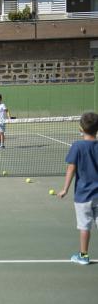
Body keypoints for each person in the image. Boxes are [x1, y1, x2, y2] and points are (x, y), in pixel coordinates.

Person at [57, 112, 98, 265]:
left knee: (84, 226)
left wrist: (65, 189)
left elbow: (71, 169)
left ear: (80, 128)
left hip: (83, 196)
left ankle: (83, 255)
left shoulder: (77, 146)